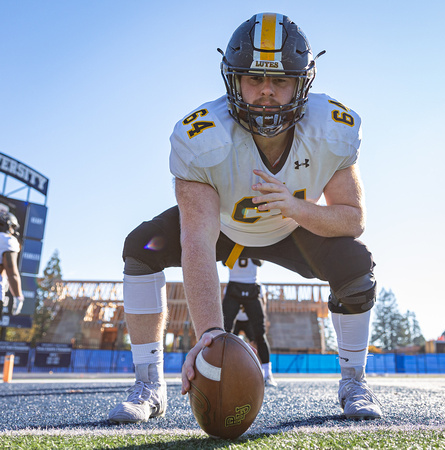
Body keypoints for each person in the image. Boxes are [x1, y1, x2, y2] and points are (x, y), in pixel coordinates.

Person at [109, 12, 381, 424]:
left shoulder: (331, 129)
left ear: (301, 84)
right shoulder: (202, 138)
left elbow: (353, 219)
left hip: (293, 228)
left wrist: (295, 207)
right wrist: (211, 335)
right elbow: (197, 241)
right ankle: (149, 384)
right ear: (234, 80)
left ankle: (354, 383)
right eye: (254, 79)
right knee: (140, 248)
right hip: (223, 226)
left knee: (356, 266)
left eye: (280, 81)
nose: (266, 92)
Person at [222, 258, 277, 387]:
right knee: (224, 333)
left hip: (251, 285)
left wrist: (249, 247)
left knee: (260, 334)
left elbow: (259, 261)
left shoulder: (253, 241)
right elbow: (225, 262)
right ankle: (221, 372)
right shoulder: (233, 242)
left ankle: (267, 374)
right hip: (235, 285)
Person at [0, 210, 24, 316]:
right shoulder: (7, 240)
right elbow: (11, 272)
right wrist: (18, 297)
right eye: (13, 227)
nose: (13, 231)